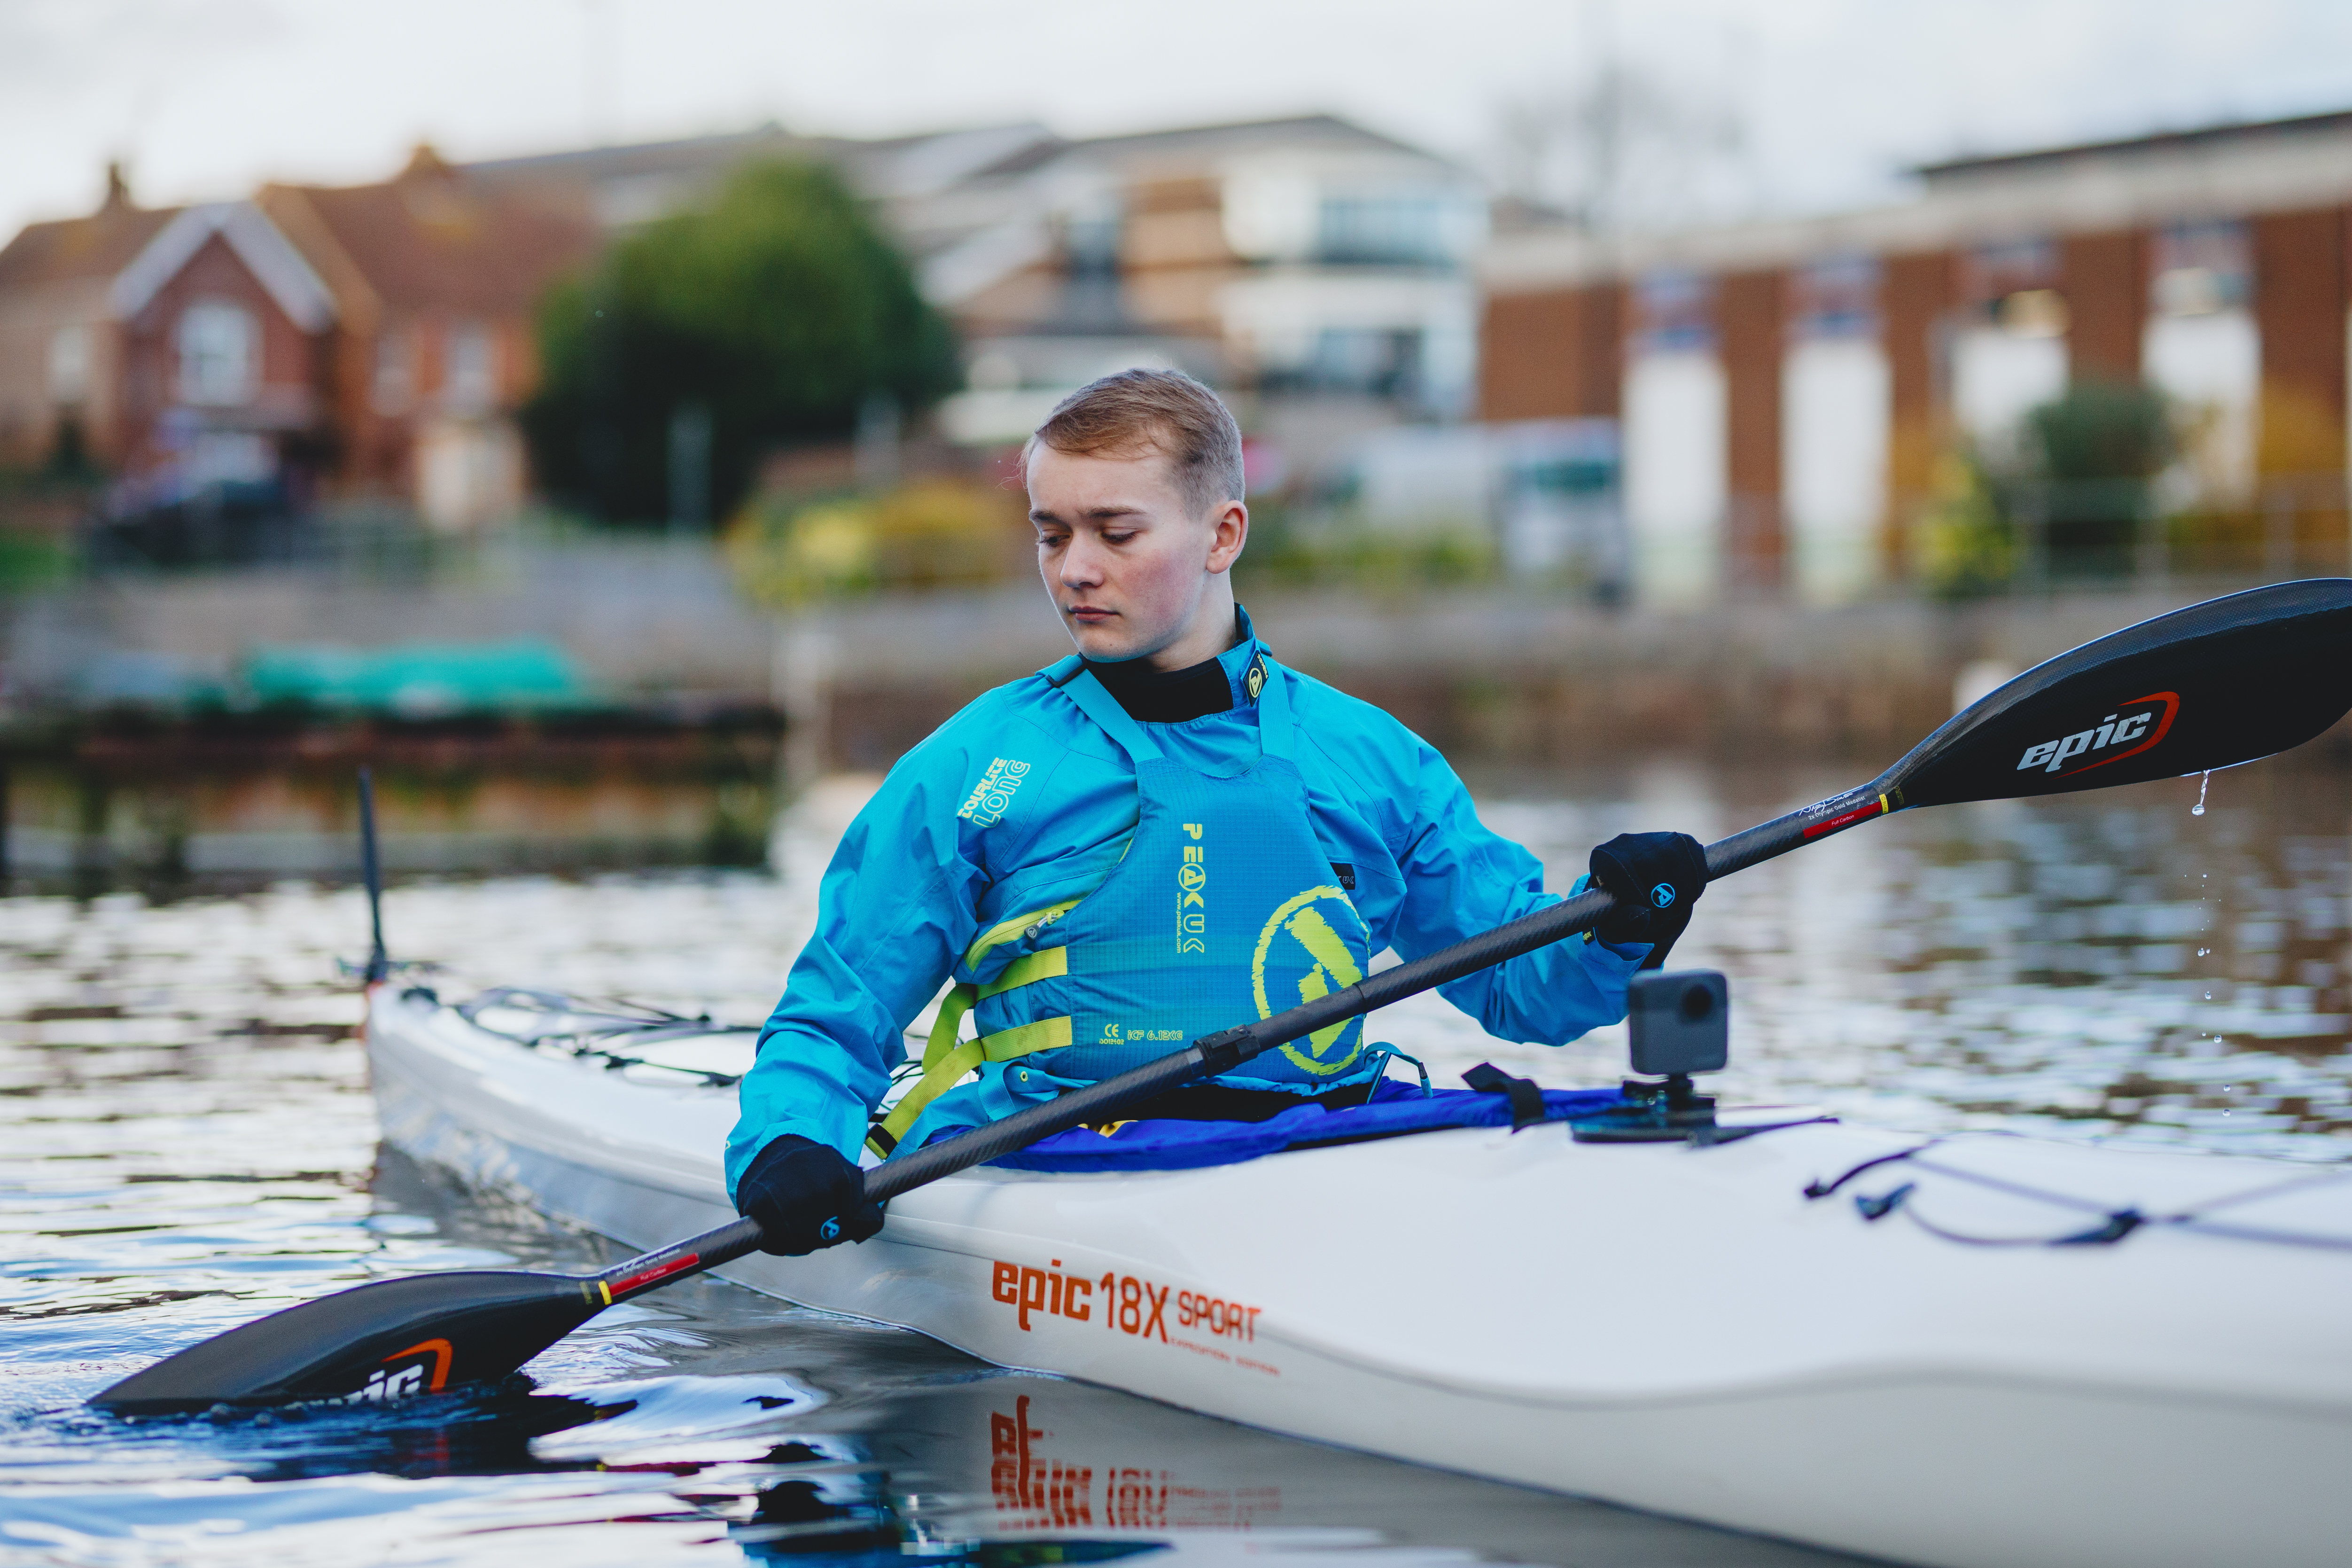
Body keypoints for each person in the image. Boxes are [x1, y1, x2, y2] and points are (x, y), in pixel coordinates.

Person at [726, 369, 1706, 1255]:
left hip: (1318, 1143)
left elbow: (1527, 990)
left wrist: (1618, 919)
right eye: (1050, 532)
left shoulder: (1363, 756)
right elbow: (835, 1013)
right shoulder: (976, 766)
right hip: (1059, 1160)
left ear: (1223, 534)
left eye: (1115, 533)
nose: (1073, 567)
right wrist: (792, 1144)